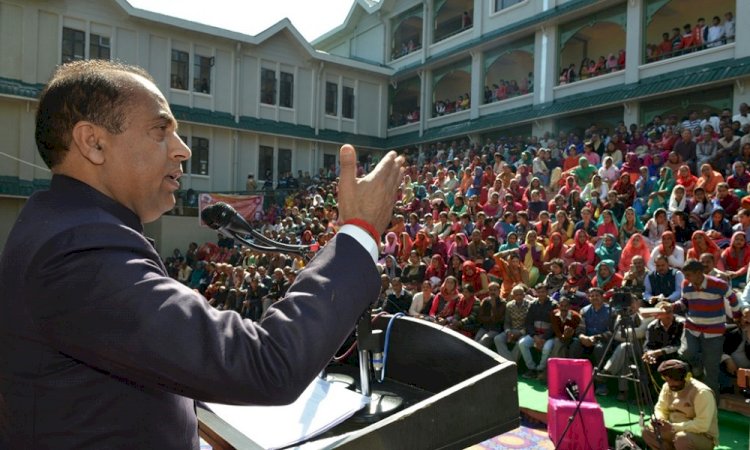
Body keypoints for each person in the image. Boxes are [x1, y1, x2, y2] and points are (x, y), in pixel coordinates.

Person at [0, 60, 405, 448]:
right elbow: (266, 365)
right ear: (93, 142)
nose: (183, 150)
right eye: (161, 130)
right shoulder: (78, 249)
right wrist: (360, 231)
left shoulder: (66, 225)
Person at [671, 259, 742, 396]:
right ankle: (698, 365)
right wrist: (671, 306)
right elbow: (684, 302)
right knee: (686, 353)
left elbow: (733, 298)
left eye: (689, 275)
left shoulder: (718, 284)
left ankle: (712, 407)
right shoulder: (686, 284)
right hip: (692, 328)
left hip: (714, 332)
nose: (686, 279)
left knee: (711, 373)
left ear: (699, 273)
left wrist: (737, 316)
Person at [641, 360, 719, 450]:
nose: (670, 384)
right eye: (667, 380)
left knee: (681, 439)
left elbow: (702, 425)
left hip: (701, 435)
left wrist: (674, 427)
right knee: (647, 432)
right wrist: (659, 420)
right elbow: (660, 408)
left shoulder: (702, 392)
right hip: (674, 429)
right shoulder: (667, 386)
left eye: (674, 380)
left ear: (686, 377)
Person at [518, 284, 556, 381]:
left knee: (547, 348)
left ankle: (540, 369)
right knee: (522, 343)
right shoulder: (533, 304)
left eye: (543, 292)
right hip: (535, 335)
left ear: (547, 292)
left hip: (548, 337)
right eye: (539, 292)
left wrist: (544, 338)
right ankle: (532, 368)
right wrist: (534, 336)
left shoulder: (554, 305)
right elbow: (528, 323)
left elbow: (554, 325)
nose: (541, 294)